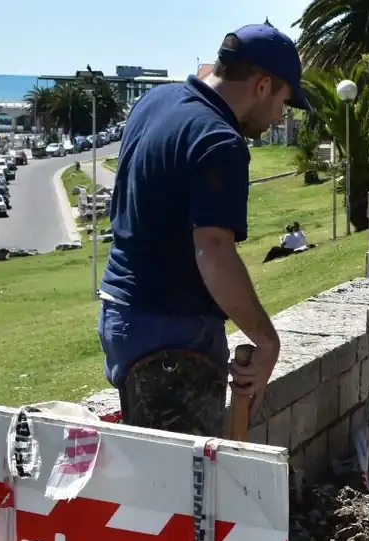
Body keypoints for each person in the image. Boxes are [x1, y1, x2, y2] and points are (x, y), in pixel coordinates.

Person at [97, 23, 311, 435]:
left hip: (124, 314)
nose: (281, 116)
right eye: (285, 101)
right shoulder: (219, 141)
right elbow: (214, 250)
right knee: (182, 489)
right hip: (172, 336)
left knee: (157, 474)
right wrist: (266, 341)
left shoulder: (155, 101)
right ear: (263, 85)